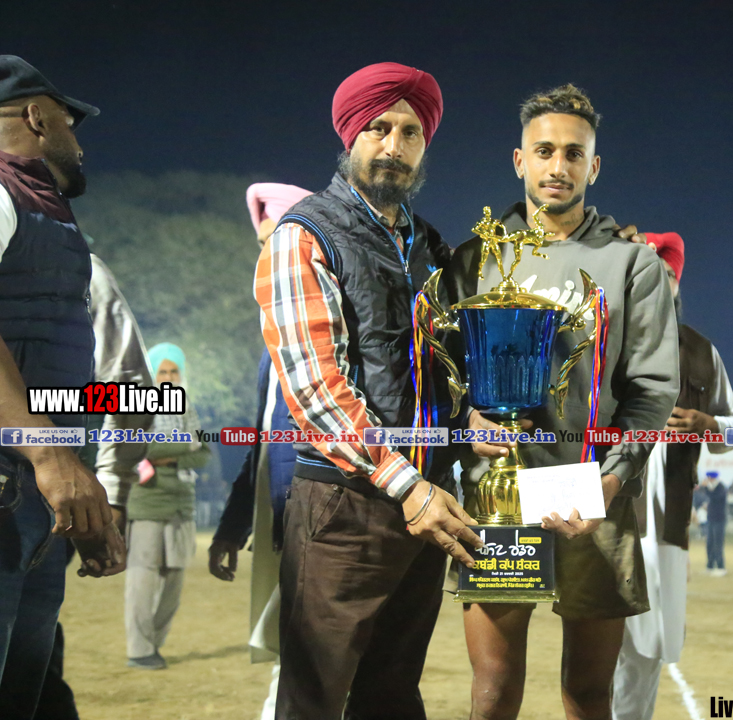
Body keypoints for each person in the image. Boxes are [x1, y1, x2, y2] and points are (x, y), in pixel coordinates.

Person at [253, 62, 483, 719]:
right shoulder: (303, 235)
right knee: (314, 701)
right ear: (350, 135)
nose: (393, 145)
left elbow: (444, 373)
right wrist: (408, 485)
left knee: (392, 697)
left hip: (426, 503)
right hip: (345, 503)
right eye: (379, 128)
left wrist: (469, 426)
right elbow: (317, 390)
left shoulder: (431, 247)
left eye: (411, 133)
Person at [446, 83, 680, 720]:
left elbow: (652, 389)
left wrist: (613, 479)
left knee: (589, 691)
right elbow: (444, 376)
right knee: (493, 690)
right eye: (544, 151)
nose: (558, 166)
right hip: (497, 494)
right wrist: (466, 419)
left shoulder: (633, 265)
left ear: (593, 166)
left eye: (574, 154)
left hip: (593, 492)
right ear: (519, 160)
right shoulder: (474, 260)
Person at [0, 55, 124, 719]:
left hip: (32, 496)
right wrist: (50, 456)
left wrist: (82, 487)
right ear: (36, 117)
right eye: (70, 122)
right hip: (15, 479)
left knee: (25, 692)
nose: (78, 139)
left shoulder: (40, 214)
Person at [611, 232, 733, 720]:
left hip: (667, 528)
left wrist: (709, 424)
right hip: (604, 515)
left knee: (649, 648)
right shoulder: (601, 341)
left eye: (664, 273)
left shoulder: (701, 353)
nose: (654, 280)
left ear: (676, 283)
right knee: (596, 642)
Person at [34, 250, 155, 720]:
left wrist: (111, 492)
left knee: (26, 659)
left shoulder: (74, 263)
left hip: (36, 498)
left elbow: (128, 387)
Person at [210, 183, 310, 720]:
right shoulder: (271, 351)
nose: (268, 256)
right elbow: (261, 448)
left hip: (328, 527)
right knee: (294, 655)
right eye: (263, 245)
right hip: (283, 527)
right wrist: (231, 527)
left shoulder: (340, 332)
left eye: (279, 241)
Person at [124, 342, 210, 670]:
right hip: (147, 501)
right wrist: (184, 446)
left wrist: (172, 455)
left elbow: (204, 454)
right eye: (162, 371)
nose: (169, 377)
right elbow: (140, 447)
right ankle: (139, 650)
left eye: (174, 371)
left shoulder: (187, 409)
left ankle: (153, 644)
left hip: (182, 503)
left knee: (174, 581)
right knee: (142, 579)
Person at [701, 472, 728, 575]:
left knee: (718, 543)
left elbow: (714, 497)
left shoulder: (721, 488)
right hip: (711, 519)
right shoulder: (711, 488)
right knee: (710, 543)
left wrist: (706, 488)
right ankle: (710, 565)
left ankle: (721, 567)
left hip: (719, 520)